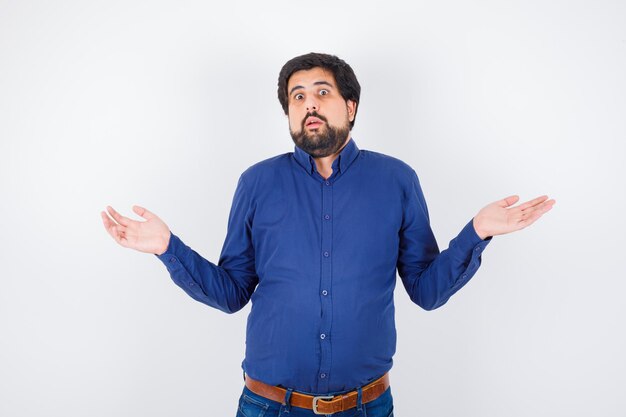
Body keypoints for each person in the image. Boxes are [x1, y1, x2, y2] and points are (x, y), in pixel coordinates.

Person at [101, 52, 556, 417]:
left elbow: (427, 290)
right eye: (297, 97)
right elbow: (232, 292)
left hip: (367, 406)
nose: (309, 104)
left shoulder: (397, 179)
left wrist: (477, 232)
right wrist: (167, 248)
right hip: (268, 406)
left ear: (350, 106)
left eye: (322, 92)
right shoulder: (256, 183)